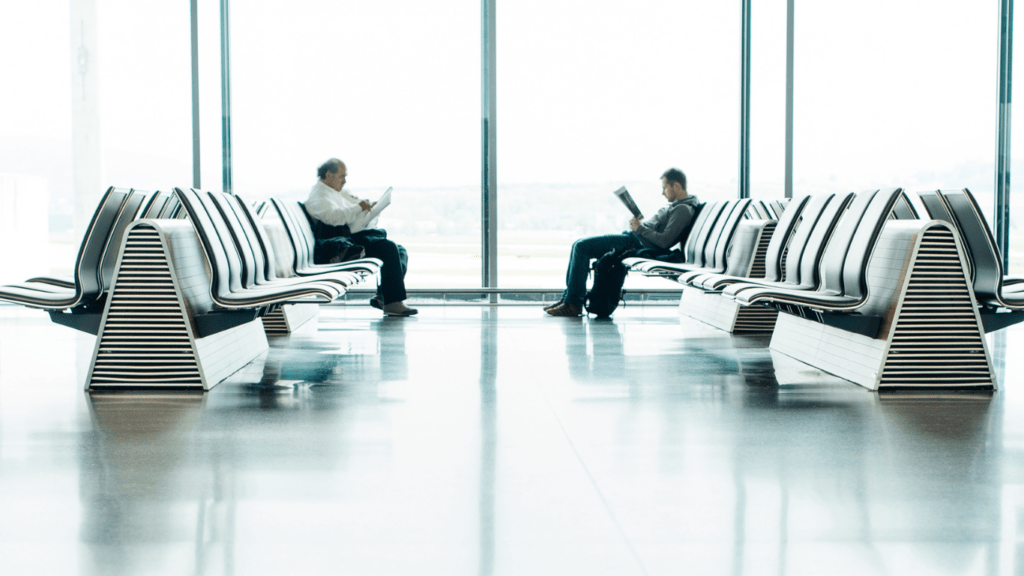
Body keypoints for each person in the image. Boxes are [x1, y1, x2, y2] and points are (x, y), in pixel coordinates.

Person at [546, 168, 700, 317]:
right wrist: (641, 225)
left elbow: (665, 241)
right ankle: (569, 299)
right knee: (578, 244)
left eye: (665, 188)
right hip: (633, 239)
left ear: (677, 186)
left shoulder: (683, 210)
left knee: (581, 246)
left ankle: (573, 303)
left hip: (633, 243)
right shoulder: (678, 207)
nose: (662, 193)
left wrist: (639, 229)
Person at [305, 158, 418, 317]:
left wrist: (366, 208)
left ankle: (383, 297)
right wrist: (359, 207)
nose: (344, 181)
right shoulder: (320, 196)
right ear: (329, 175)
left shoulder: (332, 192)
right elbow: (334, 218)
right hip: (342, 244)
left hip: (350, 237)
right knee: (388, 248)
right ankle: (393, 302)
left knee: (399, 251)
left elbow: (349, 211)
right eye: (342, 176)